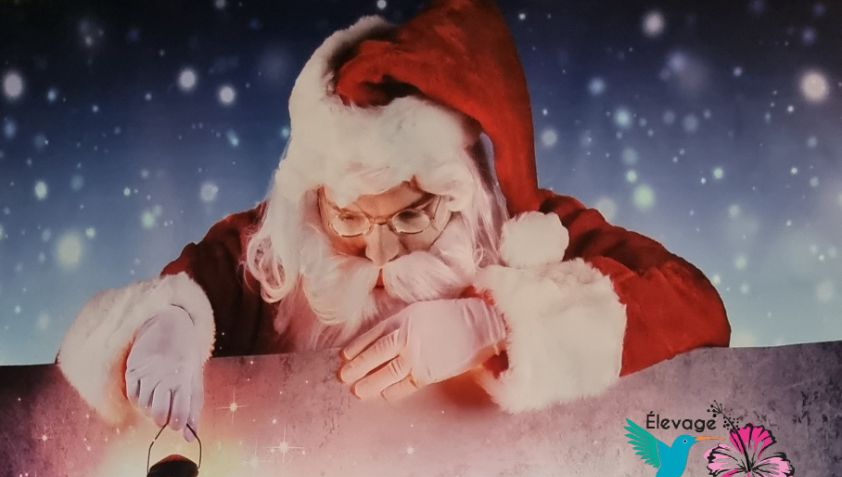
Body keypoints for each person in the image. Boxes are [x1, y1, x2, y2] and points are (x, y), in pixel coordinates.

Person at [57, 0, 730, 437]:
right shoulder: (275, 244)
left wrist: (497, 324)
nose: (378, 253)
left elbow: (695, 306)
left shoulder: (527, 228)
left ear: (460, 192)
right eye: (349, 218)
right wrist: (166, 325)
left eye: (411, 216)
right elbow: (169, 296)